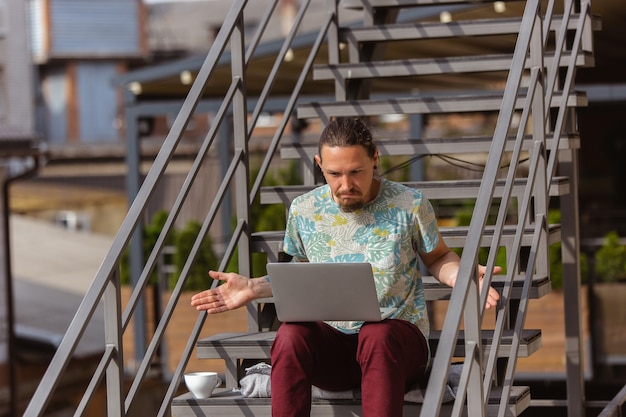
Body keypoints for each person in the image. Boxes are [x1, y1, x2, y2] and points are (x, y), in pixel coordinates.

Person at [191, 117, 500, 417]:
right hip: (334, 350)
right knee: (290, 335)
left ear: (375, 159)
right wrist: (254, 287)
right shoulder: (304, 210)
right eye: (334, 174)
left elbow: (437, 257)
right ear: (319, 164)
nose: (346, 184)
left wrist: (460, 275)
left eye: (356, 172)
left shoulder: (409, 204)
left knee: (377, 336)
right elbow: (299, 275)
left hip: (396, 347)